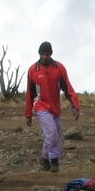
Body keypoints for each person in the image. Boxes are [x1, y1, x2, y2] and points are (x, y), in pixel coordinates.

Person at [24, 41, 80, 173]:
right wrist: (28, 114)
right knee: (52, 133)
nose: (44, 57)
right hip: (41, 106)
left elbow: (67, 88)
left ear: (51, 54)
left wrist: (75, 106)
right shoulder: (33, 70)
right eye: (42, 54)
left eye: (47, 54)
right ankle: (54, 160)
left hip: (55, 107)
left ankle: (44, 158)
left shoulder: (59, 68)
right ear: (39, 54)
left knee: (54, 134)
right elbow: (29, 93)